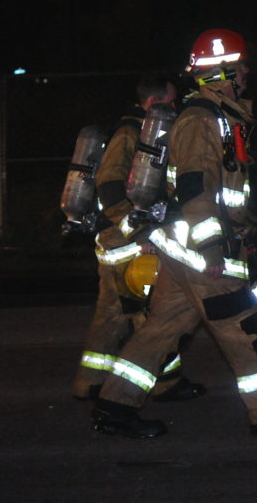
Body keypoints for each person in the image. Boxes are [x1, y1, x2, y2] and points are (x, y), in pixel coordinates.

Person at [91, 29, 257, 439]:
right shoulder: (202, 119)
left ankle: (114, 407)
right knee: (244, 330)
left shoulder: (219, 116)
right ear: (224, 73)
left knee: (161, 330)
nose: (247, 73)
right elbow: (196, 189)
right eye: (241, 67)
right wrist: (213, 247)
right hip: (201, 253)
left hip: (181, 250)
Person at [72, 74, 205, 403]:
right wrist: (141, 233)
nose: (175, 107)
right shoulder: (131, 133)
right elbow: (110, 185)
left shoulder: (140, 131)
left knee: (112, 314)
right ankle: (165, 382)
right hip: (129, 241)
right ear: (153, 102)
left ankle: (90, 381)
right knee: (151, 314)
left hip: (116, 240)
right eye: (170, 102)